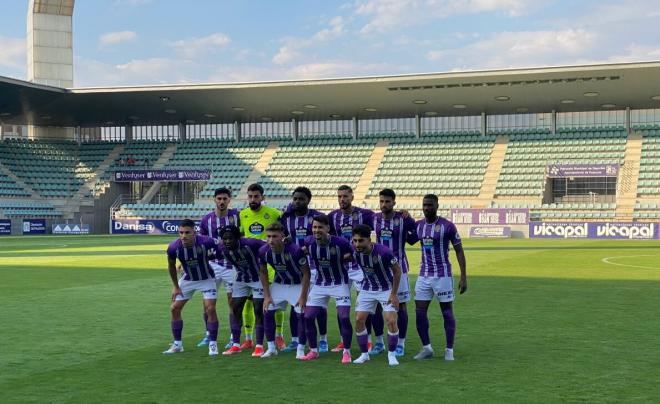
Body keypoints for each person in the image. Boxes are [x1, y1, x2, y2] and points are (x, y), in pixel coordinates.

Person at [413, 194, 468, 361]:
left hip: (443, 276)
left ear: (437, 206)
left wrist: (463, 277)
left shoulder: (447, 226)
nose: (427, 208)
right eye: (424, 205)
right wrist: (404, 215)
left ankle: (449, 350)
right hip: (424, 275)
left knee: (447, 312)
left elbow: (459, 250)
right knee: (419, 312)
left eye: (430, 205)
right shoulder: (418, 226)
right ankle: (427, 348)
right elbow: (406, 238)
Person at [278, 186, 329, 353]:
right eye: (295, 199)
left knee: (317, 305)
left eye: (301, 199)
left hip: (315, 268)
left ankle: (323, 339)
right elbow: (282, 236)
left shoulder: (317, 217)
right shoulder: (286, 218)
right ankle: (295, 340)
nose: (297, 202)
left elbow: (327, 237)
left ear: (308, 200)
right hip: (294, 267)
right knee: (296, 304)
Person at [300, 214, 354, 364]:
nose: (316, 230)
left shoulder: (340, 242)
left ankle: (347, 352)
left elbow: (352, 254)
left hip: (339, 283)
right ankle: (313, 351)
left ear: (328, 228)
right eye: (314, 227)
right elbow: (301, 251)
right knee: (308, 317)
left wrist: (340, 259)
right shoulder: (309, 241)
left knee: (343, 317)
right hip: (319, 284)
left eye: (320, 227)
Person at [327, 184, 375, 352]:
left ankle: (368, 339)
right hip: (342, 268)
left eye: (345, 196)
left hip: (361, 267)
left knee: (364, 304)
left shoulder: (365, 214)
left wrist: (402, 215)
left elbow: (384, 220)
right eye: (339, 196)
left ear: (352, 197)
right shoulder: (332, 217)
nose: (342, 199)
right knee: (342, 305)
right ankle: (343, 340)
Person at [239, 183, 287, 350]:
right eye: (250, 196)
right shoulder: (243, 215)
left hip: (270, 265)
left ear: (262, 197)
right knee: (248, 303)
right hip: (249, 267)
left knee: (275, 301)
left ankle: (279, 336)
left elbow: (283, 233)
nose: (253, 199)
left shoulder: (273, 214)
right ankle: (248, 338)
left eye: (256, 196)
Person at [162, 219, 220, 356]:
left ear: (195, 232)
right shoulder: (173, 247)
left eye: (187, 232)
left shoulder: (207, 242)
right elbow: (171, 266)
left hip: (207, 278)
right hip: (188, 279)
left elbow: (221, 251)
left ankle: (213, 344)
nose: (183, 236)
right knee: (174, 308)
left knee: (210, 309)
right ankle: (177, 345)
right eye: (181, 233)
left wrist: (214, 256)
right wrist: (176, 287)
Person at [372, 188, 417, 356]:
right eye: (381, 201)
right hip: (379, 269)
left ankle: (400, 343)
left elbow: (414, 238)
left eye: (387, 201)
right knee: (376, 305)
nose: (384, 204)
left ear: (394, 203)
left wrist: (409, 217)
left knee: (401, 306)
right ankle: (378, 342)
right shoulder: (374, 218)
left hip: (400, 268)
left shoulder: (403, 219)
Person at [350, 224, 402, 366]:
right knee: (359, 319)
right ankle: (364, 354)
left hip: (386, 289)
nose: (357, 244)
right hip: (367, 288)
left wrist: (394, 294)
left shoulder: (384, 252)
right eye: (354, 241)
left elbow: (397, 271)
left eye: (361, 241)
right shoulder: (354, 251)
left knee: (391, 321)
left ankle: (392, 355)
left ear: (369, 240)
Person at [258, 222, 311, 359]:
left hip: (297, 285)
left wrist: (303, 296)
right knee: (267, 311)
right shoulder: (264, 251)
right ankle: (271, 348)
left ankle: (300, 349)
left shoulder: (295, 250)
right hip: (279, 284)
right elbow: (263, 272)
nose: (270, 240)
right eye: (268, 236)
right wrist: (267, 296)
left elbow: (306, 273)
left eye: (274, 236)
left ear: (282, 236)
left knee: (301, 315)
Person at [197, 187, 240, 349]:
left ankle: (233, 337)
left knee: (233, 303)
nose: (222, 202)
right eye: (219, 199)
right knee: (208, 304)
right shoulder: (206, 220)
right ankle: (209, 335)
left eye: (225, 199)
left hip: (231, 265)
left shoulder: (237, 216)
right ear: (214, 200)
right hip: (212, 265)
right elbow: (199, 242)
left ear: (229, 200)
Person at [217, 225, 267, 357]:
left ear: (238, 237)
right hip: (241, 278)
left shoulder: (250, 243)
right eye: (224, 239)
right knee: (235, 308)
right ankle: (235, 345)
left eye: (230, 238)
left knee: (258, 310)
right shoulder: (222, 248)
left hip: (257, 278)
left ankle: (259, 346)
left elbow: (268, 245)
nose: (227, 241)